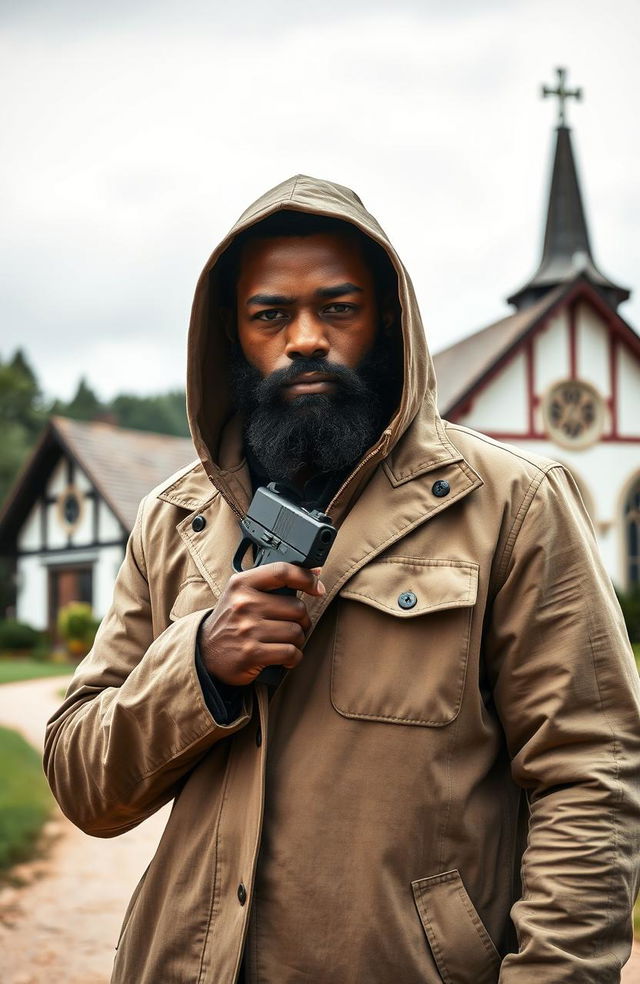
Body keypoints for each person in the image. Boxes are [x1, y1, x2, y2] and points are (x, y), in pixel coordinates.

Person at [44, 175, 640, 984]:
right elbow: (84, 779)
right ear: (233, 335)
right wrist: (199, 666)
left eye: (337, 308)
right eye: (270, 315)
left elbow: (591, 774)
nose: (305, 339)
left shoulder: (510, 504)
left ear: (387, 320)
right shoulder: (170, 521)